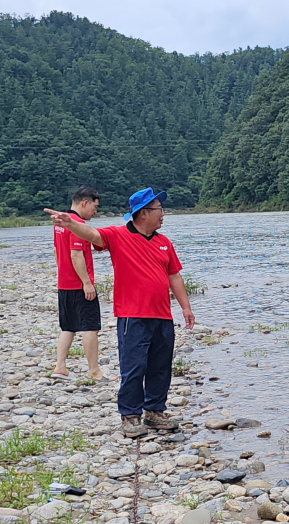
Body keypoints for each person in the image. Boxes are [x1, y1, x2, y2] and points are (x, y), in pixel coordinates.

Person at [45, 188, 195, 438]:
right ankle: (130, 415)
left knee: (160, 366)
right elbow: (91, 234)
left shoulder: (163, 242)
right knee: (134, 366)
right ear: (144, 213)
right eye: (159, 209)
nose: (163, 214)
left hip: (162, 316)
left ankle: (155, 411)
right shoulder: (118, 235)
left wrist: (186, 307)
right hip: (132, 316)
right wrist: (70, 222)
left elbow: (174, 275)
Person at [53, 187, 105, 380]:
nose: (95, 211)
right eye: (95, 206)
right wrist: (87, 283)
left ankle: (60, 366)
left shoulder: (60, 222)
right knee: (91, 326)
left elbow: (57, 251)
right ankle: (94, 370)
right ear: (85, 203)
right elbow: (76, 255)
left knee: (68, 326)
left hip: (64, 283)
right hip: (78, 285)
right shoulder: (77, 224)